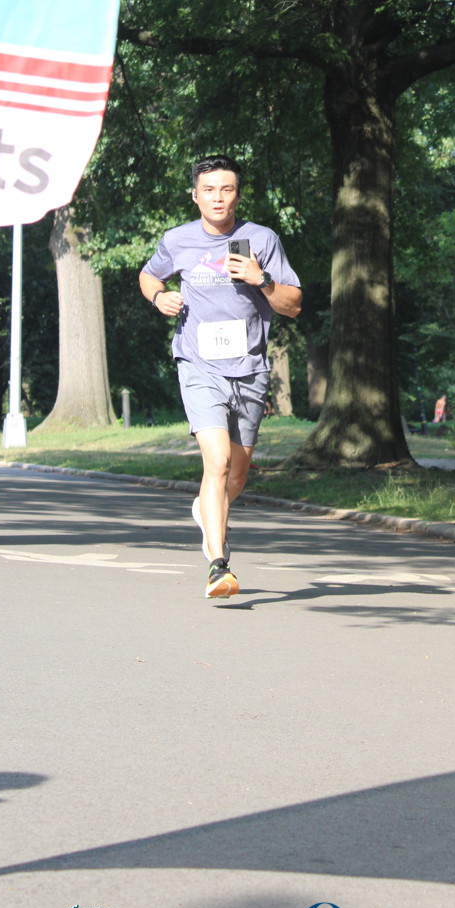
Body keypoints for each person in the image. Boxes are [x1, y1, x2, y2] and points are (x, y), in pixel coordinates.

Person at [140, 156, 302, 599]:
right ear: (195, 196)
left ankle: (208, 509)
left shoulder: (262, 240)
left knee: (237, 474)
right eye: (209, 190)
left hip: (249, 369)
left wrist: (260, 279)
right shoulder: (178, 240)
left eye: (226, 189)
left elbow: (292, 305)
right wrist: (158, 297)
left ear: (238, 195)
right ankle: (218, 565)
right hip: (198, 364)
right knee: (218, 462)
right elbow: (149, 275)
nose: (218, 198)